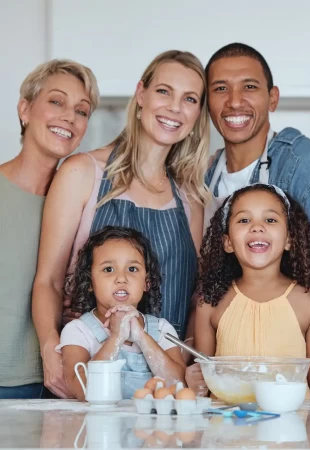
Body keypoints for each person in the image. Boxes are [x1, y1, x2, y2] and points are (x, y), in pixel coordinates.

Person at [188, 42, 310, 398]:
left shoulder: (309, 167)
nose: (235, 101)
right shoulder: (206, 172)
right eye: (220, 89)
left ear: (273, 98)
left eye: (249, 87)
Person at [32, 50, 210, 398]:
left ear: (197, 114)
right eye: (164, 91)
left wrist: (189, 364)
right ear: (141, 94)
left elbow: (194, 299)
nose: (175, 107)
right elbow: (48, 280)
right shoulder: (83, 172)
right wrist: (50, 349)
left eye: (189, 99)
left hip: (162, 387)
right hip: (92, 377)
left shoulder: (190, 197)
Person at [192, 184, 310, 398]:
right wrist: (195, 382)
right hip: (226, 429)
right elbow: (204, 384)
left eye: (270, 220)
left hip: (289, 429)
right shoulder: (210, 303)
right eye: (244, 220)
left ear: (289, 239)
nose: (257, 227)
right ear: (228, 242)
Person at [0, 59, 99, 399]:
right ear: (25, 109)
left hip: (54, 384)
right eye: (56, 102)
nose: (69, 117)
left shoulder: (82, 204)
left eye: (82, 111)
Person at [58, 226, 185, 400]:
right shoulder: (78, 331)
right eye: (108, 269)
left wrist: (142, 337)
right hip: (99, 426)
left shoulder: (162, 329)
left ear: (146, 282)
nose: (121, 278)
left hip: (150, 427)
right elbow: (81, 390)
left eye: (132, 269)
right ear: (89, 281)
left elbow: (178, 385)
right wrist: (116, 337)